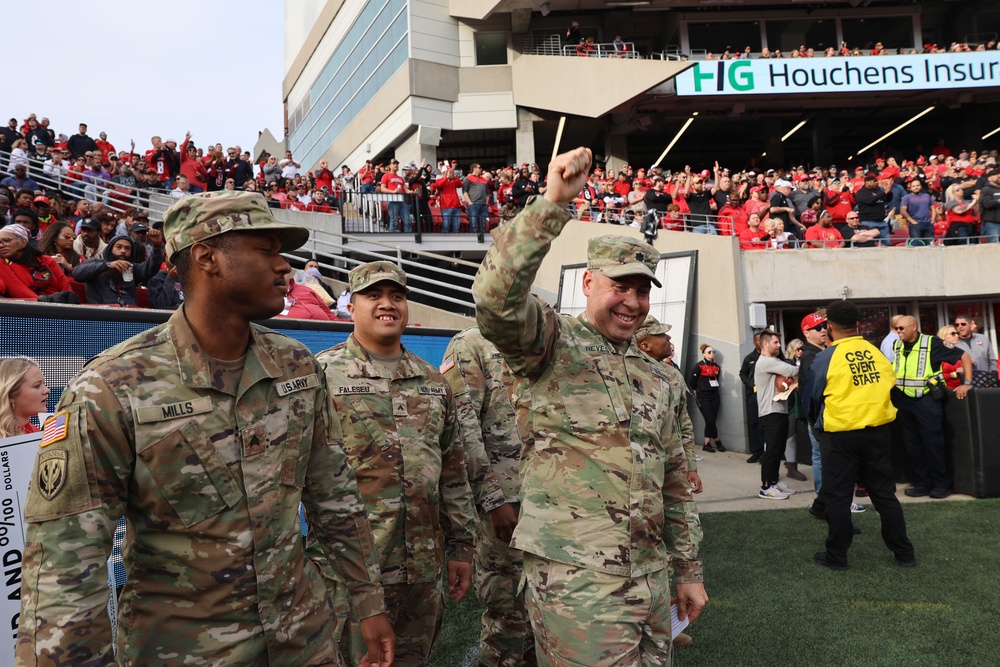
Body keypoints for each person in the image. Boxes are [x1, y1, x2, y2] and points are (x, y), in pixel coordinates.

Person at [17, 190, 395, 667]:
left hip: (305, 642)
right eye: (267, 251)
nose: (286, 268)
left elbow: (333, 491)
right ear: (207, 256)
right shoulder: (111, 387)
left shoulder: (295, 364)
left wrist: (366, 597)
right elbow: (64, 564)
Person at [473, 146, 707, 666]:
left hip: (648, 576)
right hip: (577, 577)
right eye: (619, 286)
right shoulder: (551, 344)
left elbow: (674, 478)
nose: (632, 301)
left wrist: (687, 569)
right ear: (587, 282)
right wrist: (553, 201)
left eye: (643, 290)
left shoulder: (656, 374)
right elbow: (495, 300)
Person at [314, 261, 475, 667]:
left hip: (421, 569)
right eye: (374, 295)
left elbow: (452, 469)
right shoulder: (321, 375)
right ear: (351, 306)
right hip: (349, 572)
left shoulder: (432, 382)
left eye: (397, 296)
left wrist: (461, 545)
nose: (387, 304)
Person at [442, 327, 536, 667]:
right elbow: (463, 427)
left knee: (549, 606)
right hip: (507, 502)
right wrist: (494, 501)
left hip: (551, 497)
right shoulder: (471, 344)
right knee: (507, 606)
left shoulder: (545, 337)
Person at [806, 299, 916, 571]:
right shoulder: (876, 352)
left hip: (840, 435)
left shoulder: (825, 358)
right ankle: (904, 553)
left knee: (838, 497)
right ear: (857, 324)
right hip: (878, 432)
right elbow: (891, 388)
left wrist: (818, 426)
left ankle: (837, 557)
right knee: (885, 495)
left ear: (829, 327)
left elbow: (811, 399)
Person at [891, 315, 971, 499]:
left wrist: (967, 382)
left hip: (926, 400)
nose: (898, 332)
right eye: (897, 328)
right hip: (903, 401)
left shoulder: (931, 342)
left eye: (902, 328)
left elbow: (964, 356)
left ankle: (941, 485)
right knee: (912, 445)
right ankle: (923, 483)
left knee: (933, 444)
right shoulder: (897, 345)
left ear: (913, 327)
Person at [754, 329, 799, 499]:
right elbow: (793, 371)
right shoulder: (766, 361)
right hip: (770, 412)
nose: (779, 345)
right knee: (772, 451)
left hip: (779, 409)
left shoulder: (772, 361)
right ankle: (765, 488)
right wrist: (796, 371)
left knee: (778, 449)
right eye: (776, 342)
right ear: (765, 344)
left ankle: (774, 481)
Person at [73, 234, 164, 306]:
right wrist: (107, 265)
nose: (123, 251)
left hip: (129, 316)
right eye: (119, 247)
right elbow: (77, 273)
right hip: (101, 315)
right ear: (110, 249)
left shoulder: (132, 268)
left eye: (127, 248)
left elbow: (151, 267)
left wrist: (156, 247)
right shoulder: (96, 262)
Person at [688, 342, 726, 453]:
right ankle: (717, 440)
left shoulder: (716, 367)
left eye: (713, 352)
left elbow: (716, 379)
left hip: (714, 395)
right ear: (704, 354)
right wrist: (696, 390)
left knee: (711, 420)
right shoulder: (698, 366)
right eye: (709, 352)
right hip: (703, 396)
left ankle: (707, 443)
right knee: (709, 419)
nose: (712, 353)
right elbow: (692, 381)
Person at [0, 357, 49, 438]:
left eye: (44, 383)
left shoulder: (37, 433)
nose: (47, 390)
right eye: (37, 386)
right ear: (11, 395)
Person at [739, 333, 765, 463]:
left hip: (766, 395)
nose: (760, 342)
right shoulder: (749, 358)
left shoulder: (769, 356)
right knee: (754, 423)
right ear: (754, 342)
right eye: (758, 340)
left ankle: (765, 453)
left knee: (764, 424)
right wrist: (750, 384)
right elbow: (742, 373)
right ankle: (756, 451)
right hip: (753, 395)